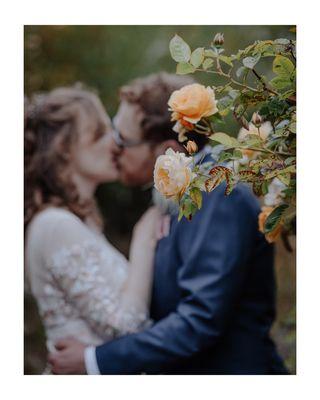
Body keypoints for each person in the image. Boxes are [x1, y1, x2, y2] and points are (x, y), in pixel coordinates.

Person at [49, 73, 288, 375]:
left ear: (166, 151)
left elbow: (200, 319)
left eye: (123, 139)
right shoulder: (178, 196)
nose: (113, 147)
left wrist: (95, 360)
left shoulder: (220, 194)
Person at [25, 87, 161, 374]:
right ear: (63, 147)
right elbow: (127, 325)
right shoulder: (55, 225)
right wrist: (142, 242)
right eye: (99, 132)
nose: (115, 141)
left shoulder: (79, 222)